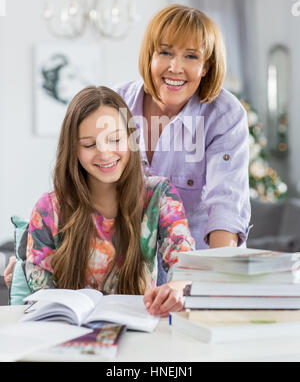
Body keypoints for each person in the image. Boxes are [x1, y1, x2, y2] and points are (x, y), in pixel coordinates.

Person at [9, 85, 194, 316]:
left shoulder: (160, 195)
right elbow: (41, 297)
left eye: (115, 139)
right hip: (68, 335)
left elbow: (185, 262)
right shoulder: (48, 209)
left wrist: (177, 288)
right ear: (73, 149)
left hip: (139, 331)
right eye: (89, 144)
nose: (105, 153)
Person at [114, 4, 251, 278]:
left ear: (205, 66)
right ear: (149, 56)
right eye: (165, 52)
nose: (175, 68)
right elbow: (83, 187)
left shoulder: (224, 115)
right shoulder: (117, 104)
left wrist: (216, 278)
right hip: (127, 267)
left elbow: (225, 202)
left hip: (199, 263)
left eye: (191, 56)